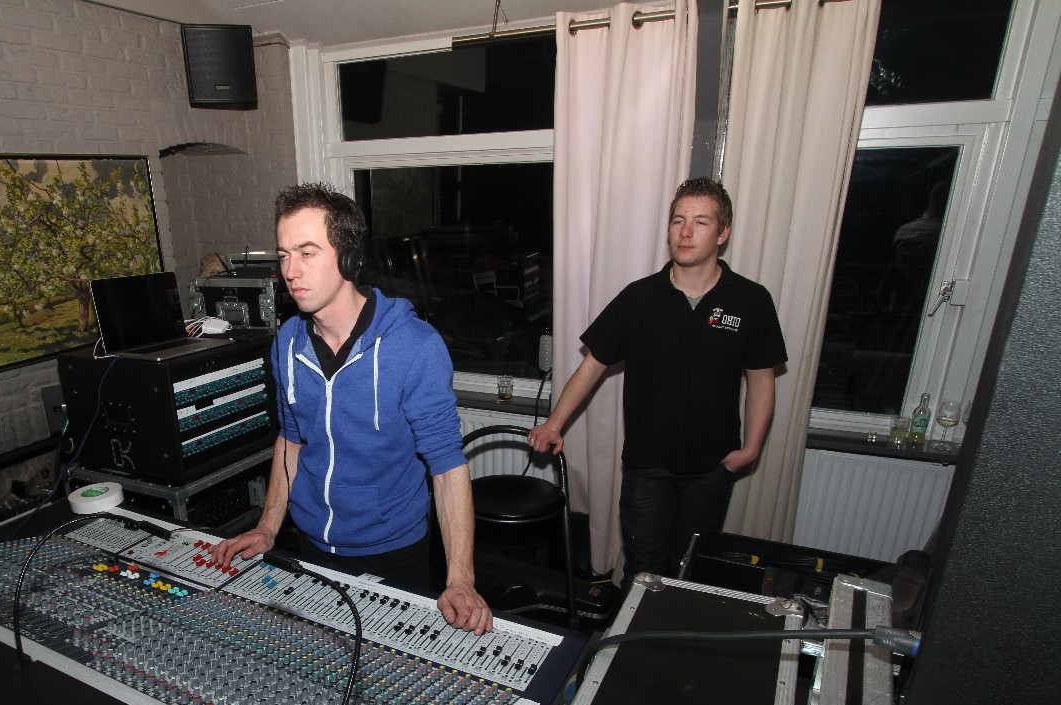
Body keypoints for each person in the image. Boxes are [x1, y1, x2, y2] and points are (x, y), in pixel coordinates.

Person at [213, 183, 493, 634]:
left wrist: (460, 578)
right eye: (284, 256)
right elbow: (290, 440)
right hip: (308, 544)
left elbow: (446, 466)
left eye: (307, 253)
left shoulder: (414, 346)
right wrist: (268, 526)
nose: (291, 271)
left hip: (392, 551)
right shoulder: (286, 344)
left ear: (349, 259)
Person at [528, 177, 787, 578]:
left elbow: (761, 380)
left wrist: (751, 448)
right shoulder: (639, 297)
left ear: (723, 233)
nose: (686, 232)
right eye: (678, 220)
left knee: (688, 570)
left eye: (701, 222)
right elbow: (592, 366)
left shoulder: (751, 300)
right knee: (643, 572)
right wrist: (554, 424)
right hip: (646, 465)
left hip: (712, 466)